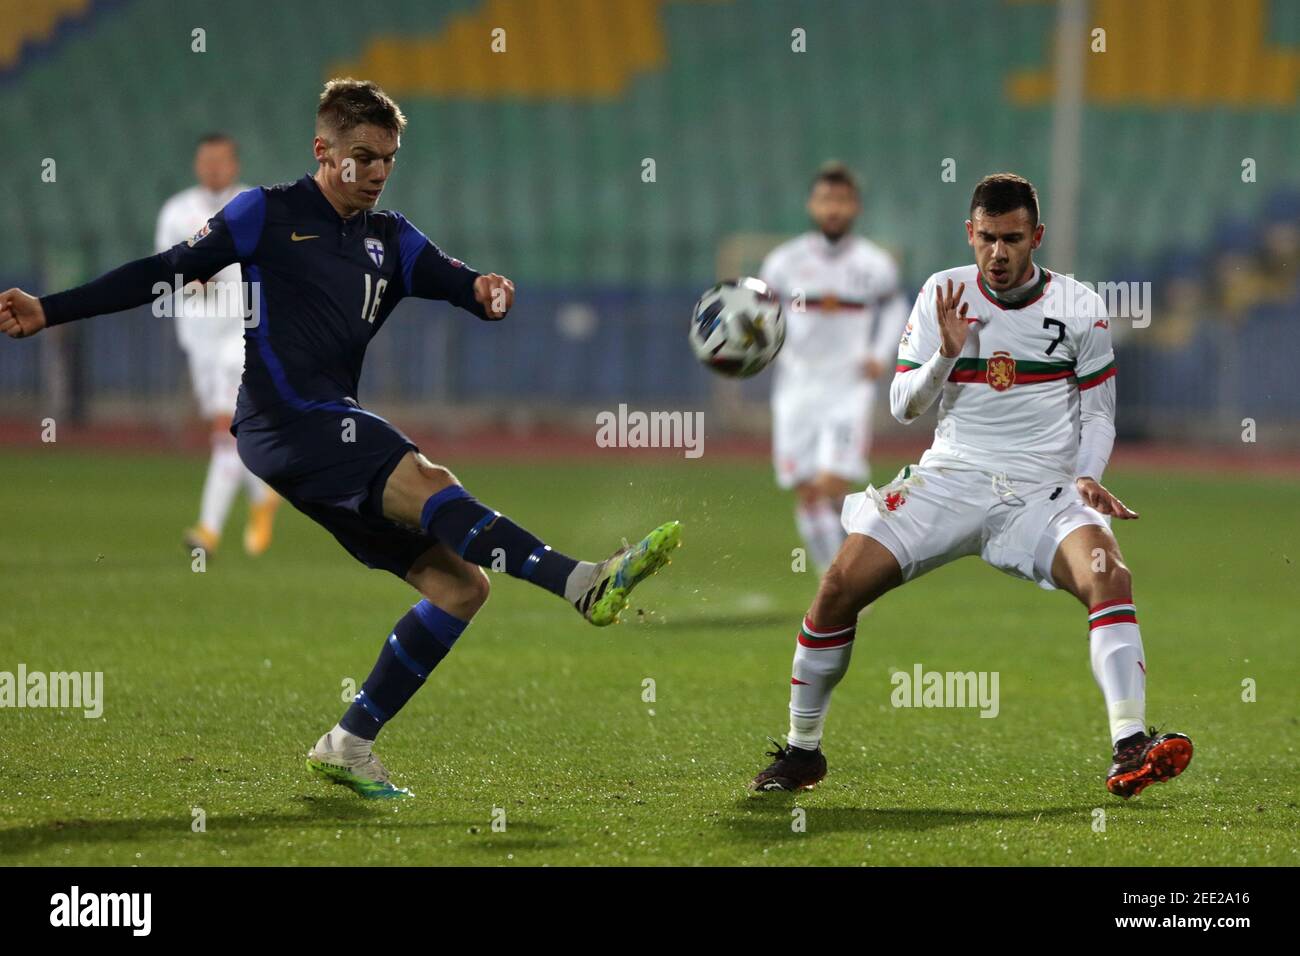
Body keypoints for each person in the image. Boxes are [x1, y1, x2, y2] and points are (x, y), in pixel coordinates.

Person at [2, 78, 681, 800]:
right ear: (323, 150)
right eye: (363, 156)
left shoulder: (393, 239)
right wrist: (50, 308)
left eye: (389, 157)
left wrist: (490, 293)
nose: (378, 172)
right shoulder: (265, 212)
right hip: (283, 419)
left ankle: (349, 743)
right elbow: (163, 272)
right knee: (428, 478)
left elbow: (464, 285)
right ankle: (582, 584)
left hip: (326, 429)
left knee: (459, 587)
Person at [748, 173, 1192, 800]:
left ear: (1037, 236)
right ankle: (801, 752)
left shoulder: (1080, 307)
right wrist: (945, 356)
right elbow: (903, 404)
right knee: (838, 586)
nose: (999, 253)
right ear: (970, 233)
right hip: (950, 478)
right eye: (987, 238)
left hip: (1043, 489)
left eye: (1013, 239)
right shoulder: (942, 293)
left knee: (1108, 573)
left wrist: (1088, 474)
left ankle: (1129, 746)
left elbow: (1098, 413)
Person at [759, 162, 908, 574]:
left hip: (848, 387)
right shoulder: (783, 262)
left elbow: (896, 306)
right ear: (812, 204)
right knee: (808, 491)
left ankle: (837, 580)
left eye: (842, 200)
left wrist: (881, 352)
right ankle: (842, 570)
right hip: (796, 386)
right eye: (826, 199)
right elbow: (760, 315)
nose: (834, 209)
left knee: (833, 484)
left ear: (855, 207)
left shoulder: (873, 263)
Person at [155, 133, 279, 555]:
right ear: (196, 164)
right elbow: (162, 271)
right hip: (197, 335)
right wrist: (185, 277)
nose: (213, 168)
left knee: (226, 430)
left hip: (240, 331)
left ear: (234, 165)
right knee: (229, 428)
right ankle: (263, 498)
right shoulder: (176, 211)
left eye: (221, 161)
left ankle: (207, 532)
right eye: (206, 160)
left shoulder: (250, 205)